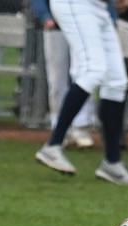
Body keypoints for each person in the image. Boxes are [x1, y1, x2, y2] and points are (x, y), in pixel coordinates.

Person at [34, 0, 128, 185]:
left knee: (116, 81)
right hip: (75, 3)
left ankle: (112, 163)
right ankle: (53, 145)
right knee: (94, 70)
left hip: (99, 8)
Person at [33, 0, 97, 149]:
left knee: (84, 74)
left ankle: (82, 127)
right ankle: (59, 128)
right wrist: (45, 16)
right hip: (55, 25)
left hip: (82, 24)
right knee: (56, 79)